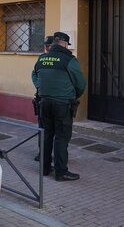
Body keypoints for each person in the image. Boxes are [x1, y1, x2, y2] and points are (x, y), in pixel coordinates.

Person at [31, 32, 86, 181]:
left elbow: (36, 75)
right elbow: (80, 83)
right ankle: (61, 172)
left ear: (54, 43)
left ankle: (44, 168)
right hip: (62, 103)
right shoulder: (69, 59)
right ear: (65, 44)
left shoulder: (42, 58)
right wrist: (73, 94)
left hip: (44, 102)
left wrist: (42, 89)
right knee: (61, 137)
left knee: (47, 134)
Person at [33, 35, 54, 162]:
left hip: (54, 99)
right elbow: (34, 74)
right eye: (45, 45)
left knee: (55, 131)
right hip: (42, 98)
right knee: (42, 128)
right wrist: (39, 86)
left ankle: (57, 155)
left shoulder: (62, 59)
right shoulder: (42, 58)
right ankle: (42, 153)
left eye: (49, 45)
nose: (46, 48)